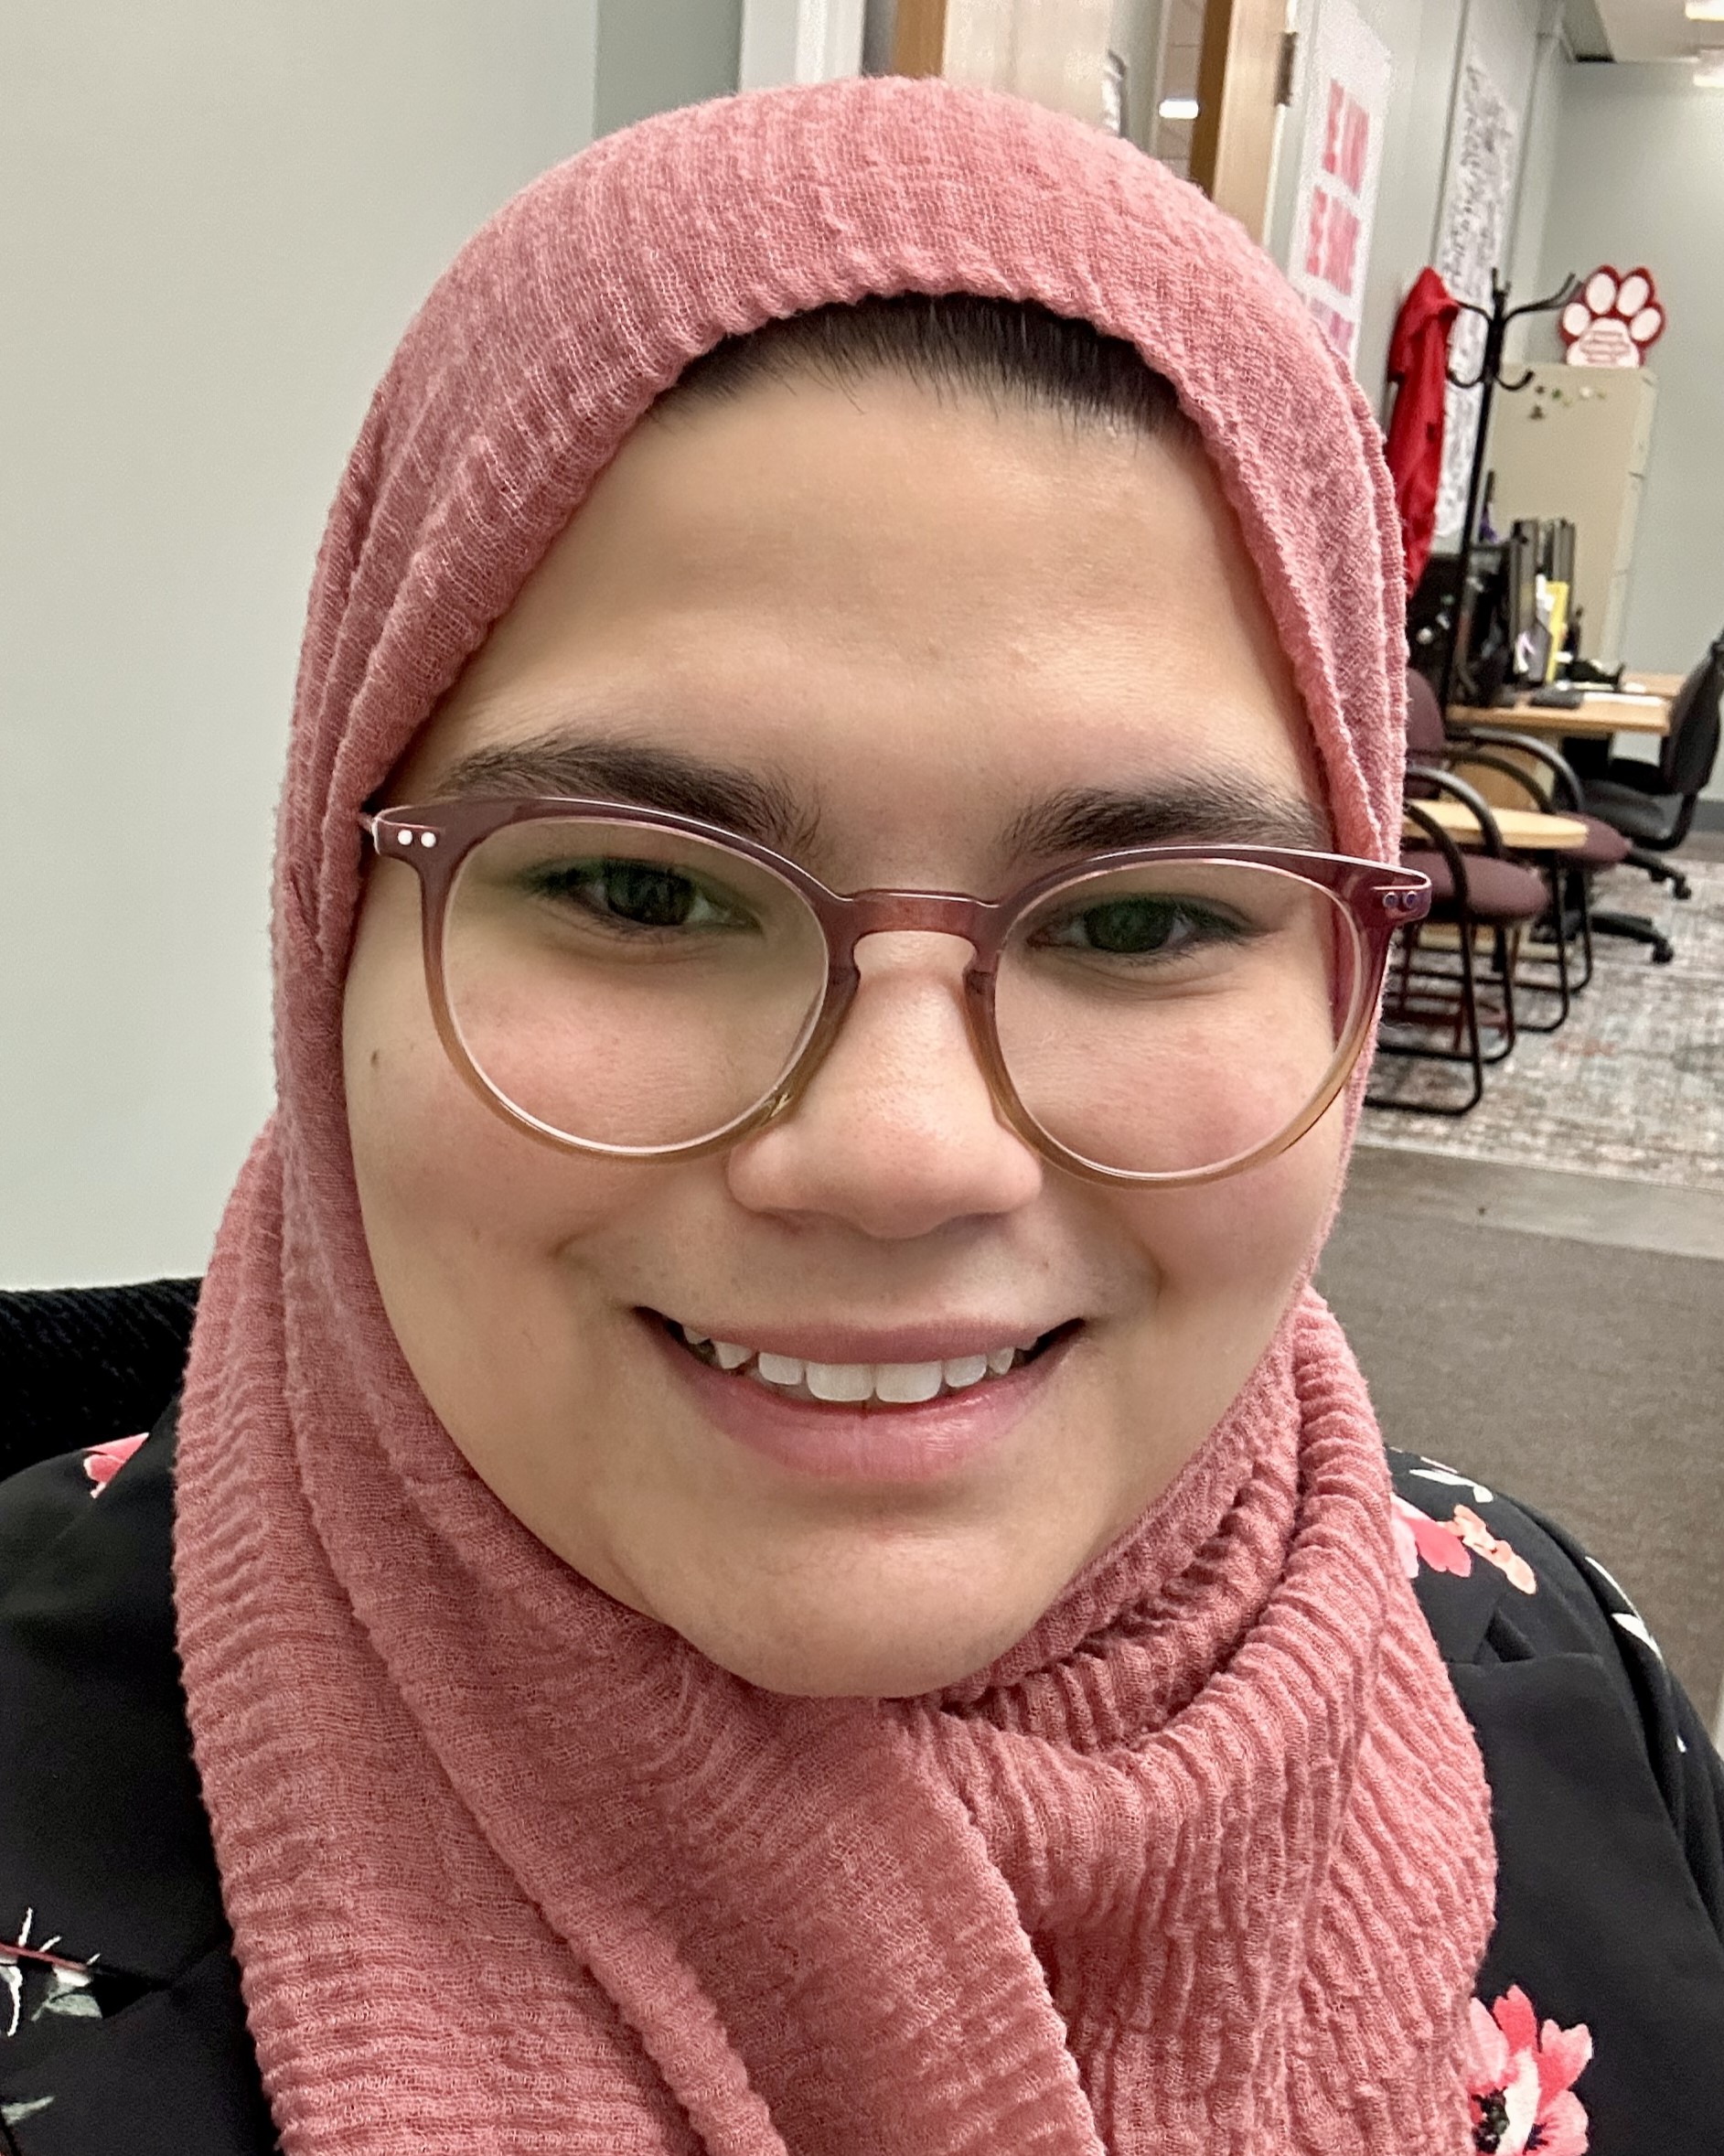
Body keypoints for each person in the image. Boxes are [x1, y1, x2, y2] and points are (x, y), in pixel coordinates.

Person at [1, 77, 1719, 2156]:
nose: (902, 1152)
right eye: (640, 890)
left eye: (1149, 916)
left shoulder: (1564, 1677)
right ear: (326, 929)